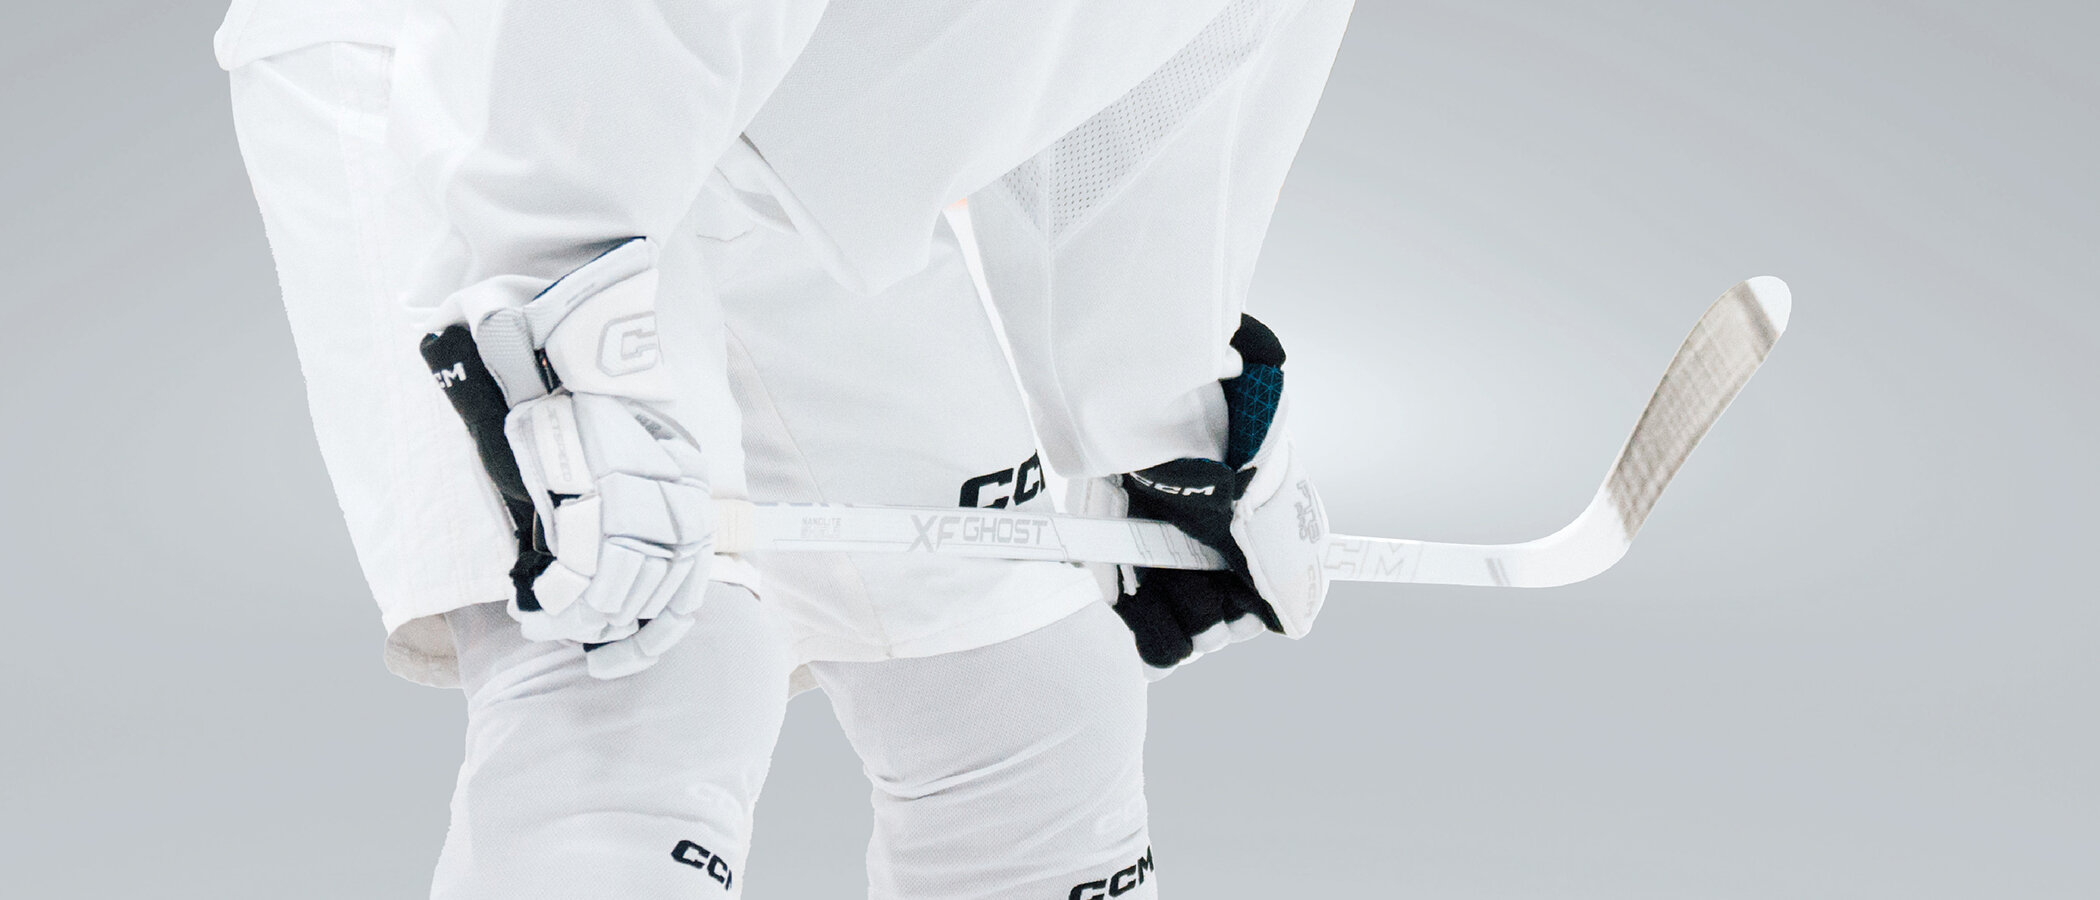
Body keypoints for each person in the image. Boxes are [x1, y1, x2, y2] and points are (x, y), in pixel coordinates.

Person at [218, 0, 1351, 895]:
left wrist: (1160, 429)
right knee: (638, 679)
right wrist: (557, 335)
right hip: (490, 81)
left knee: (1031, 714)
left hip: (776, 148)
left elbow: (1152, 116)